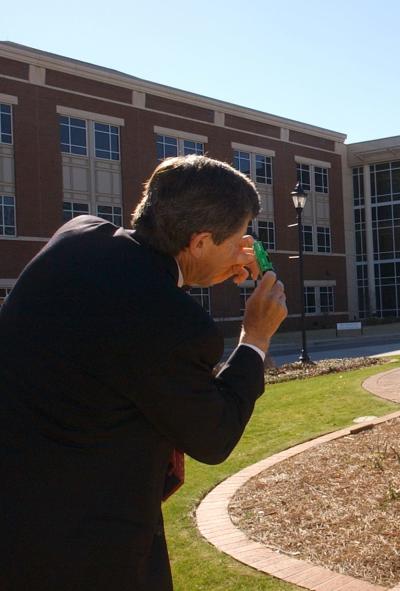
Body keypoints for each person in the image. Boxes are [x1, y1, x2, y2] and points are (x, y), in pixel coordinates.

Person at [0, 155, 288, 590]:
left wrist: (197, 270)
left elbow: (127, 302)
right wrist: (255, 338)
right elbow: (215, 435)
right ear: (200, 241)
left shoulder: (78, 236)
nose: (242, 251)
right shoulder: (176, 326)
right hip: (86, 550)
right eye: (235, 241)